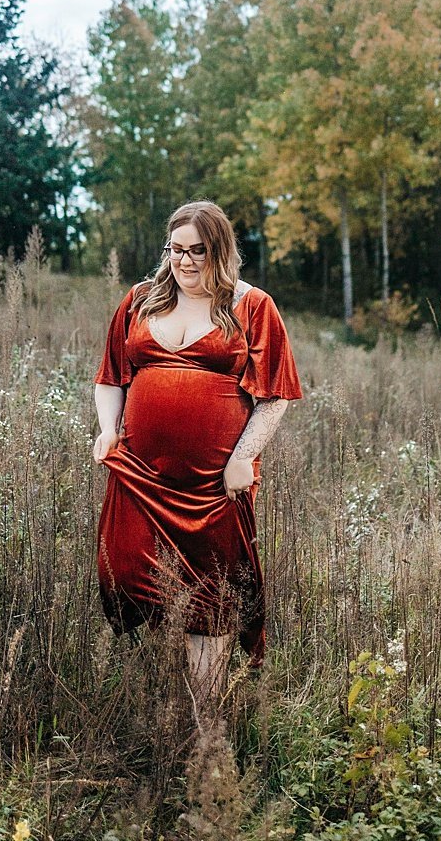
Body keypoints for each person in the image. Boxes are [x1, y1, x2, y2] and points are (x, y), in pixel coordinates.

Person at [92, 200, 301, 701]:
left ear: (220, 252)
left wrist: (241, 459)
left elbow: (273, 397)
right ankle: (163, 665)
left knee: (212, 591)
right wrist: (107, 429)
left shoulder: (252, 306)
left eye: (197, 252)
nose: (184, 262)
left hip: (213, 482)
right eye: (176, 249)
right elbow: (110, 378)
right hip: (140, 470)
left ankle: (204, 713)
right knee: (122, 570)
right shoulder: (140, 300)